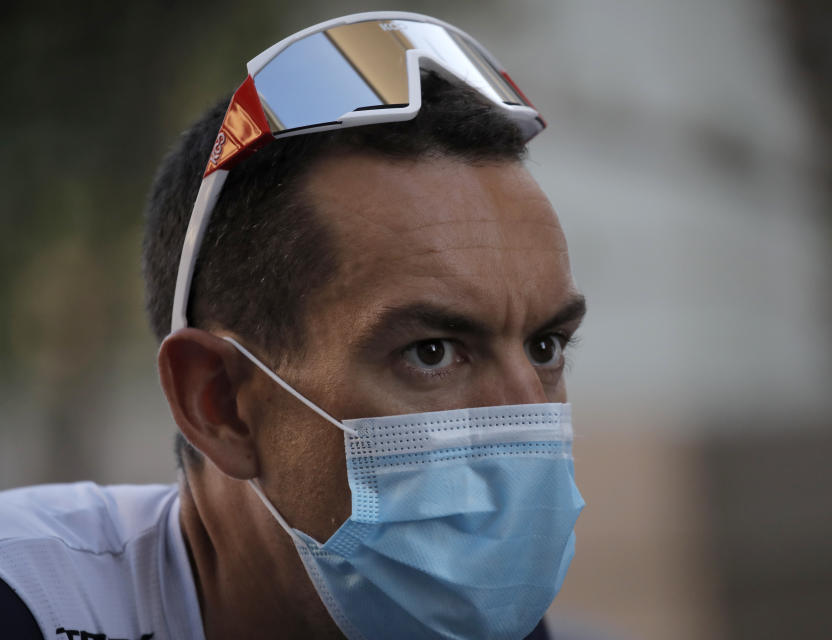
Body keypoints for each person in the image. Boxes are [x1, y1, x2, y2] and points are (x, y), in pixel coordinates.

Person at [0, 12, 585, 639]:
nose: (526, 421)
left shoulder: (495, 627)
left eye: (544, 347)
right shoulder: (31, 603)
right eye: (432, 352)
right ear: (218, 403)